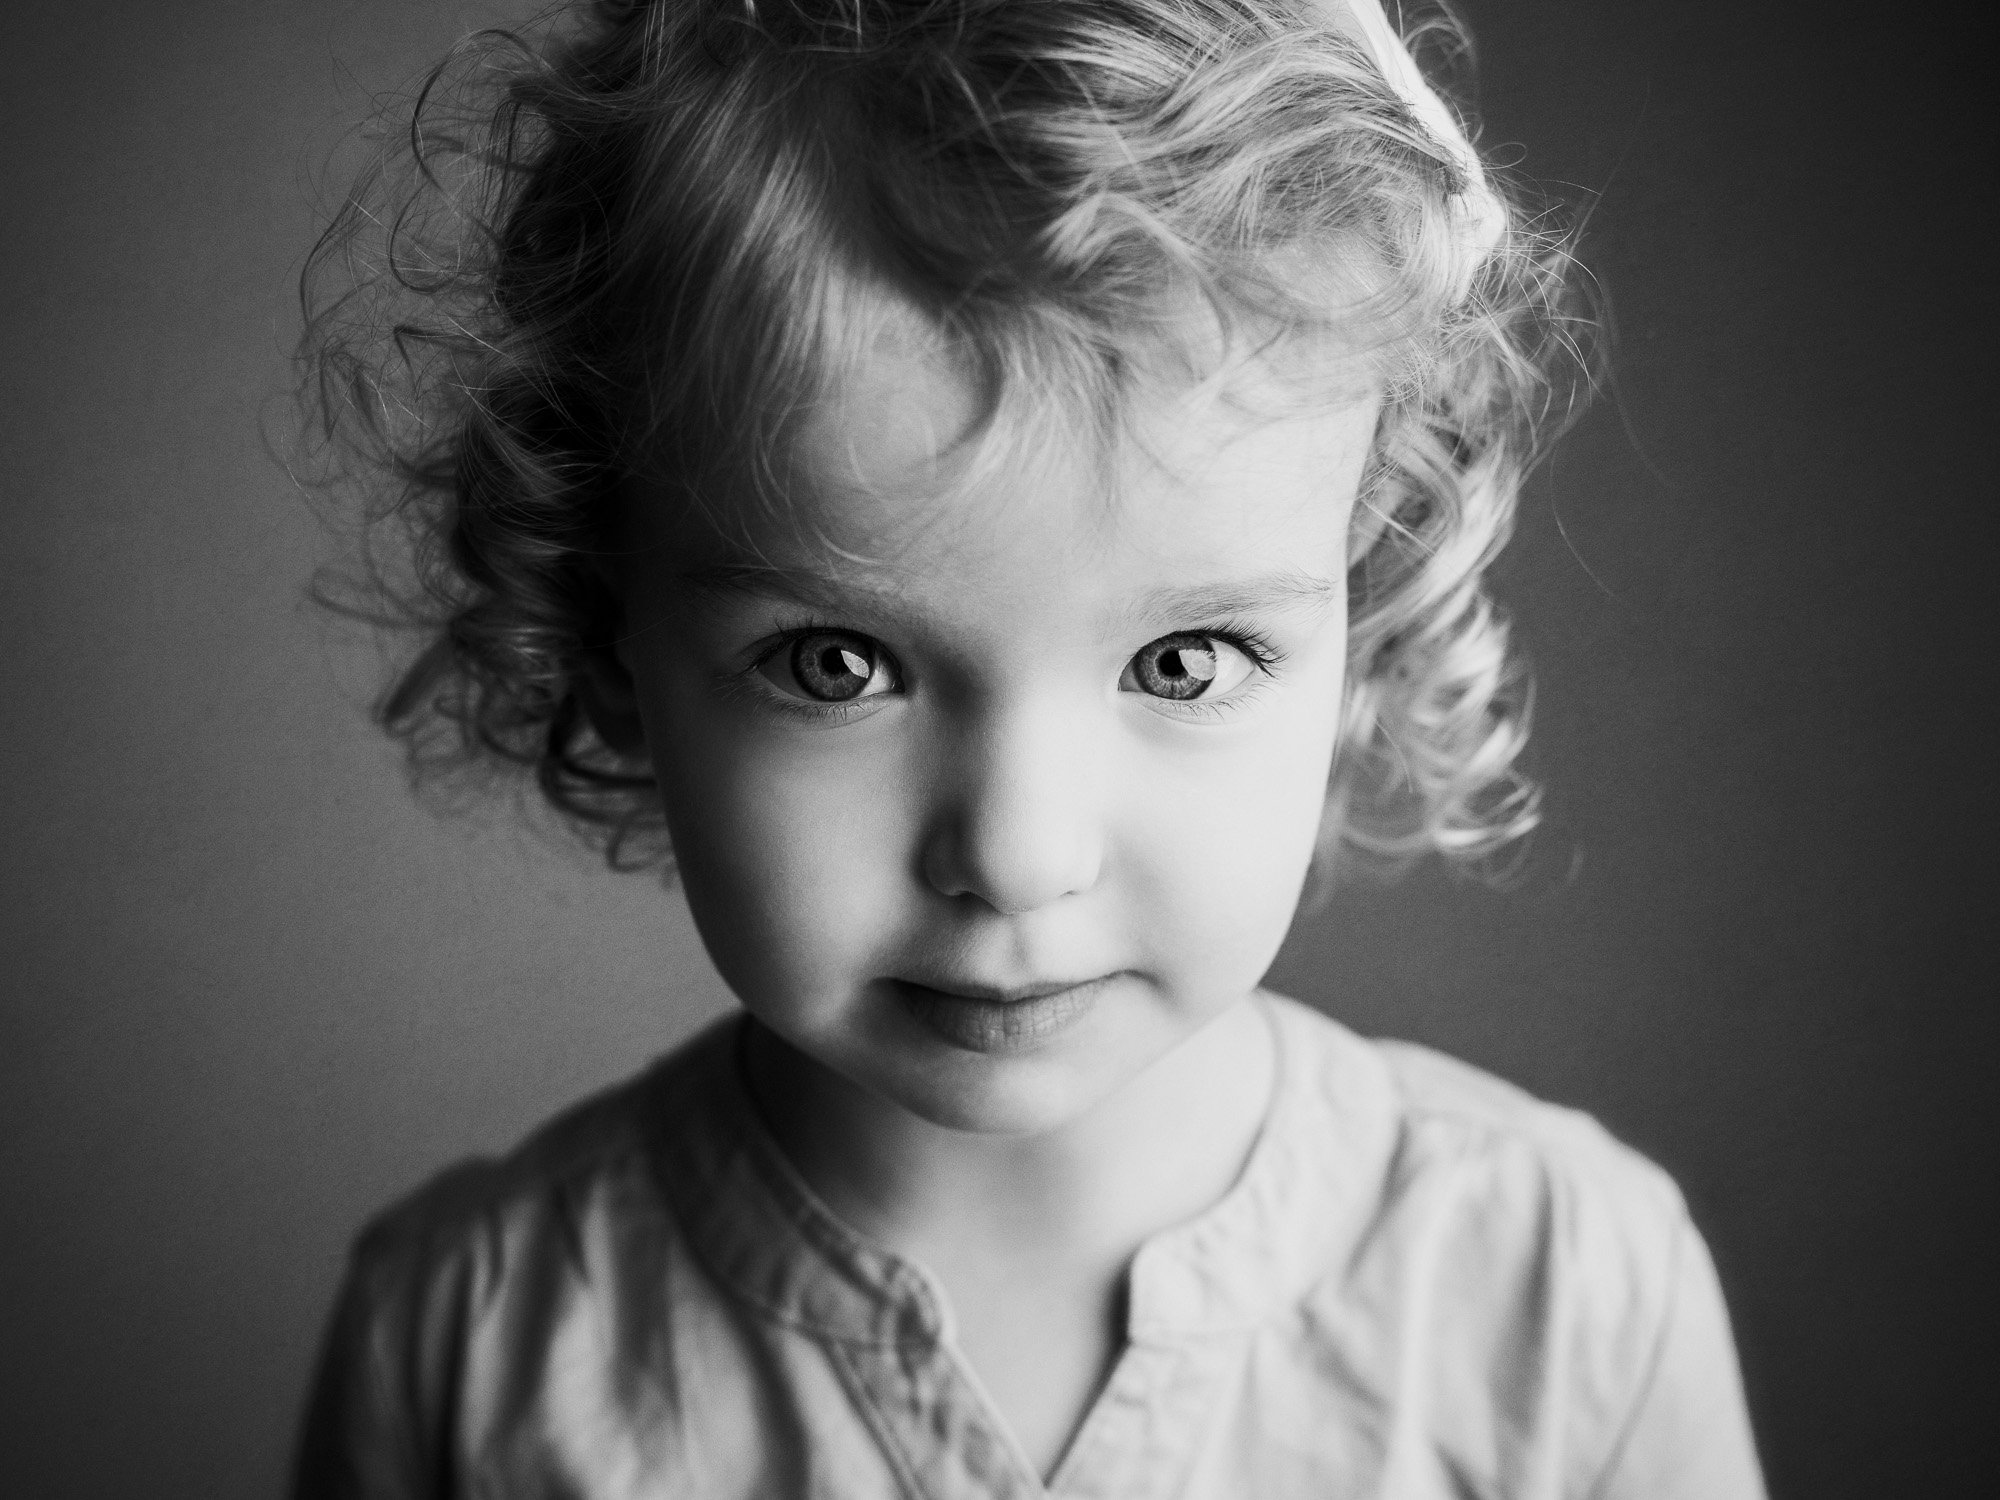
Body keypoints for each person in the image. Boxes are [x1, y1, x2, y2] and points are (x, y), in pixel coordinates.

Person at [292, 1, 1765, 1494]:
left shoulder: (1569, 1299)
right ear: (611, 643)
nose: (1016, 853)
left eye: (1184, 662)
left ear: (1368, 616)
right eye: (836, 664)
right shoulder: (471, 1354)